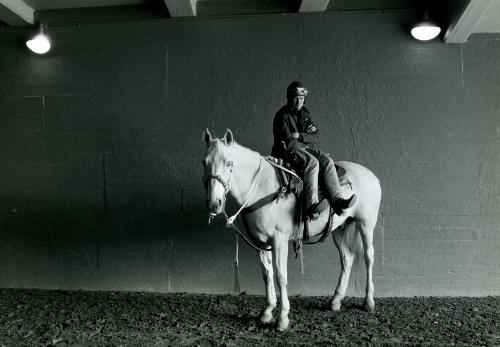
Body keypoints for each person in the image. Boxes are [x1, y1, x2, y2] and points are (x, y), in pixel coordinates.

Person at [272, 81, 356, 217]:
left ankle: (337, 200)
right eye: (295, 97)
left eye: (301, 98)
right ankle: (311, 205)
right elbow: (289, 143)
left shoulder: (305, 113)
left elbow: (316, 137)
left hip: (303, 148)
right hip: (286, 152)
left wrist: (299, 135)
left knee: (327, 161)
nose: (298, 101)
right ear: (289, 98)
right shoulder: (282, 116)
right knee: (313, 163)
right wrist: (305, 140)